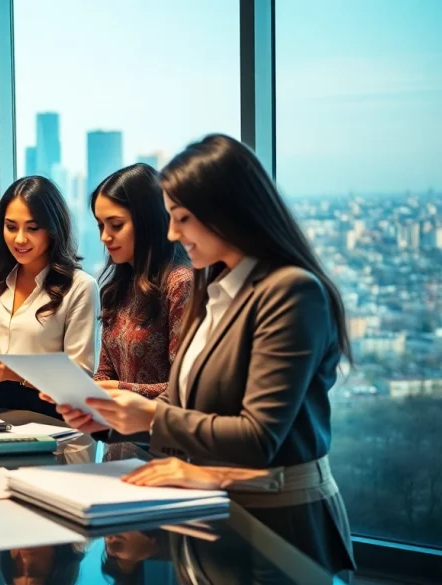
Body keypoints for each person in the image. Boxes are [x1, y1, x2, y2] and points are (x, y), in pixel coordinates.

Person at [55, 134, 355, 573]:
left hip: (278, 524)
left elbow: (259, 437)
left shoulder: (291, 292)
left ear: (227, 212)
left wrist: (149, 416)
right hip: (207, 511)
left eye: (183, 218)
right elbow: (186, 408)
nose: (173, 233)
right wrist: (112, 418)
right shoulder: (212, 289)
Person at [0, 176, 98, 419]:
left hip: (47, 412)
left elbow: (81, 374)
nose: (20, 239)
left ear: (53, 229)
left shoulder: (80, 287)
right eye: (11, 227)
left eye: (32, 228)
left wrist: (15, 373)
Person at [88, 164, 191, 398]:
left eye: (116, 225)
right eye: (100, 225)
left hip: (160, 420)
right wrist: (87, 392)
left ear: (148, 221)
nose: (104, 236)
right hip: (118, 419)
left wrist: (118, 389)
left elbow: (185, 386)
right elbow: (105, 372)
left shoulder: (180, 283)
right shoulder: (119, 285)